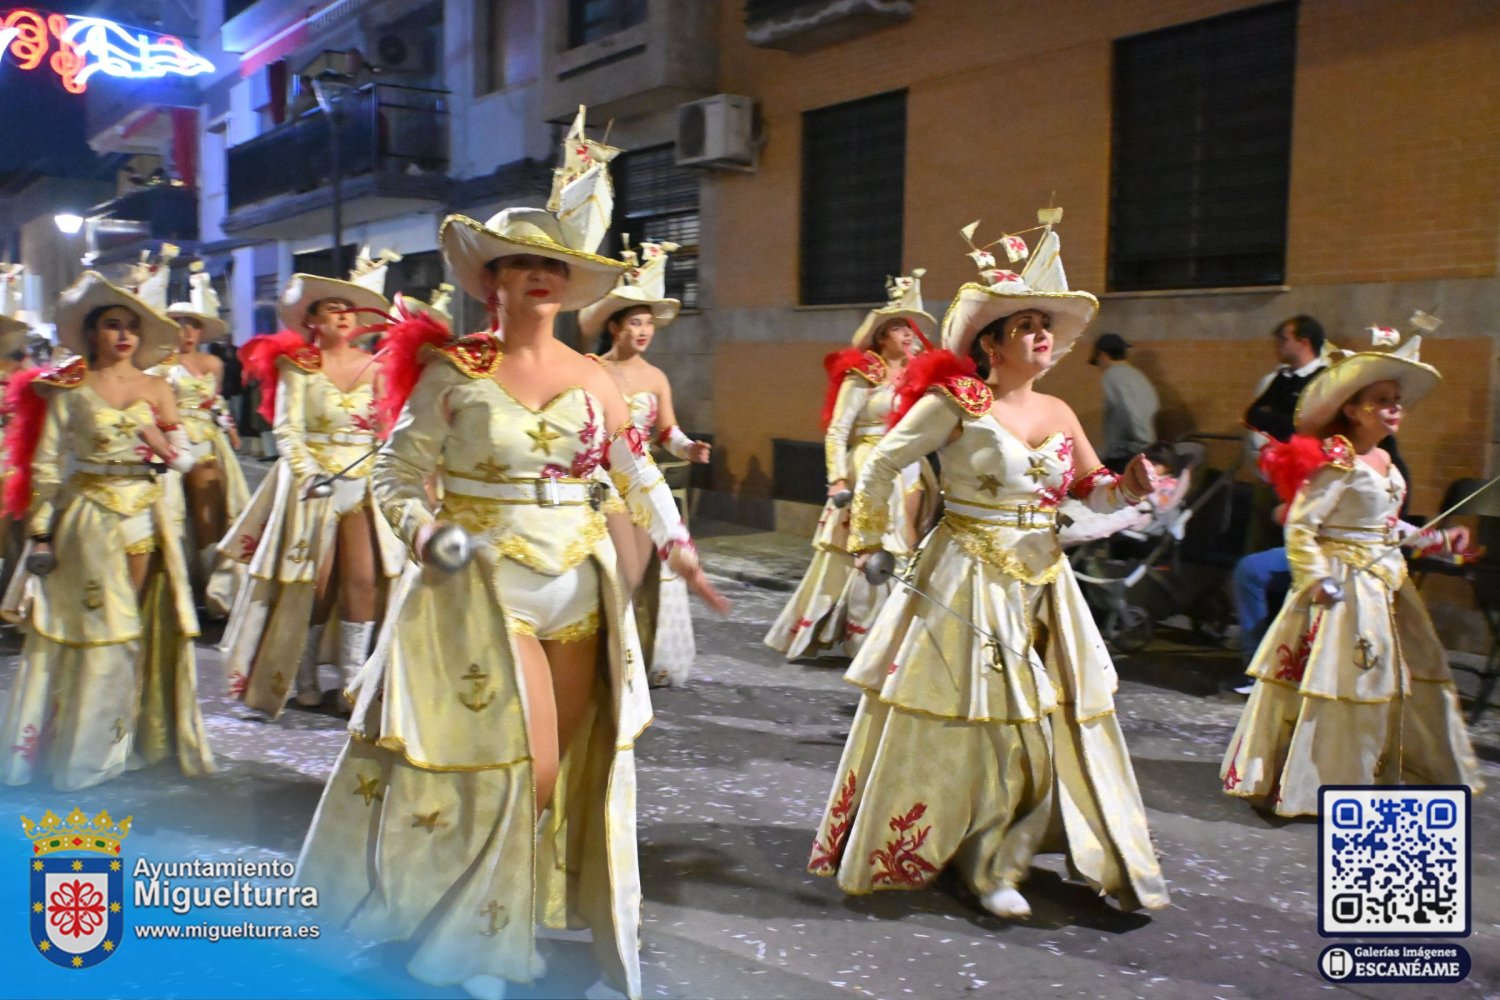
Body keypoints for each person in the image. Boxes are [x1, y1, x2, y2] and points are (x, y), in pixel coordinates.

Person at [294, 108, 727, 1000]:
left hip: (580, 592)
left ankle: (504, 917)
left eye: (553, 266)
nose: (539, 275)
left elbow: (635, 470)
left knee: (553, 777)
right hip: (481, 588)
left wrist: (679, 547)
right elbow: (395, 474)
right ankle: (473, 945)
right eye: (522, 263)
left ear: (568, 284)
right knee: (522, 763)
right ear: (491, 280)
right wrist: (426, 533)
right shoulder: (453, 372)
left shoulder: (595, 377)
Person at [807, 220, 1169, 919]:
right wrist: (872, 542)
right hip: (966, 577)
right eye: (1025, 325)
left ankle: (1003, 855)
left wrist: (1126, 487)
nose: (1041, 336)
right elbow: (881, 463)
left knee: (1041, 724)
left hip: (1041, 581)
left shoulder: (1059, 409)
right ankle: (969, 857)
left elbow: (1089, 488)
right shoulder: (957, 405)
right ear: (991, 345)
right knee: (976, 724)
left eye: (1046, 327)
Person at [1221, 331, 1483, 815]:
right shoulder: (1338, 461)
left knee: (1383, 682)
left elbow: (1385, 527)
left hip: (1385, 586)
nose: (1394, 408)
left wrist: (1440, 540)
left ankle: (1368, 774)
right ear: (1353, 410)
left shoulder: (1385, 462)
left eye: (1396, 400)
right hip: (1344, 587)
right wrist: (1316, 579)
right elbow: (1302, 526)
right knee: (1341, 682)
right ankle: (1319, 782)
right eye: (1381, 400)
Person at [0, 272, 213, 789]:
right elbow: (47, 465)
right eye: (113, 325)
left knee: (129, 629)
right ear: (92, 333)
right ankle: (77, 745)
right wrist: (41, 533)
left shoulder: (157, 388)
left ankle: (120, 737)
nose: (124, 335)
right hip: (85, 516)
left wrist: (159, 443)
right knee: (94, 628)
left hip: (144, 514)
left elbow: (185, 459)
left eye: (131, 327)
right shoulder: (69, 389)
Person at [217, 262, 403, 716]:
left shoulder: (378, 367)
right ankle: (304, 679)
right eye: (331, 308)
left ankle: (353, 682)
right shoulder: (298, 367)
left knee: (363, 581)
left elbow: (388, 426)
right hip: (312, 486)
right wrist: (311, 475)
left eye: (348, 309)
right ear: (312, 320)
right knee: (312, 585)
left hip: (363, 483)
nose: (342, 315)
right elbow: (287, 429)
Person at [766, 270, 936, 661]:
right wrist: (838, 477)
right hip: (869, 465)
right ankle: (863, 635)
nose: (908, 334)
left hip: (909, 466)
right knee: (867, 546)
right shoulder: (863, 375)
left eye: (910, 328)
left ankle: (895, 632)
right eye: (898, 327)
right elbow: (838, 429)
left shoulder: (918, 377)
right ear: (881, 336)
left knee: (906, 543)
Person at [581, 240, 712, 687]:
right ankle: (594, 654)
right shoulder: (590, 369)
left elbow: (667, 431)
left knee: (637, 575)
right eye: (635, 322)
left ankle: (628, 659)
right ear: (614, 326)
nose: (644, 331)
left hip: (639, 479)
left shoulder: (656, 377)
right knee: (611, 570)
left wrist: (688, 448)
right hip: (597, 482)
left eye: (649, 324)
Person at [1231, 315, 1334, 691]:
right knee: (1256, 561)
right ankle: (1260, 656)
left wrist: (1284, 432)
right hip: (1271, 481)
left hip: (1308, 489)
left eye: (1283, 338)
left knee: (1293, 571)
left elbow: (1311, 431)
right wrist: (1281, 434)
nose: (1278, 344)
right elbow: (1254, 416)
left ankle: (1290, 656)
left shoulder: (1326, 381)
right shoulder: (1280, 378)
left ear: (1303, 341)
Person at [158, 274, 250, 617]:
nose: (186, 332)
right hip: (171, 442)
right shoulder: (159, 367)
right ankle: (179, 589)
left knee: (212, 508)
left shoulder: (213, 364)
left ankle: (216, 588)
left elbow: (216, 403)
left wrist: (231, 430)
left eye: (192, 325)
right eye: (179, 324)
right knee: (172, 514)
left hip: (209, 442)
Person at [1089, 332, 1158, 474]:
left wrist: (1141, 440)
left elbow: (1128, 410)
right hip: (1146, 448)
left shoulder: (1112, 375)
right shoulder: (1136, 374)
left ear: (1102, 355)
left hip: (1127, 454)